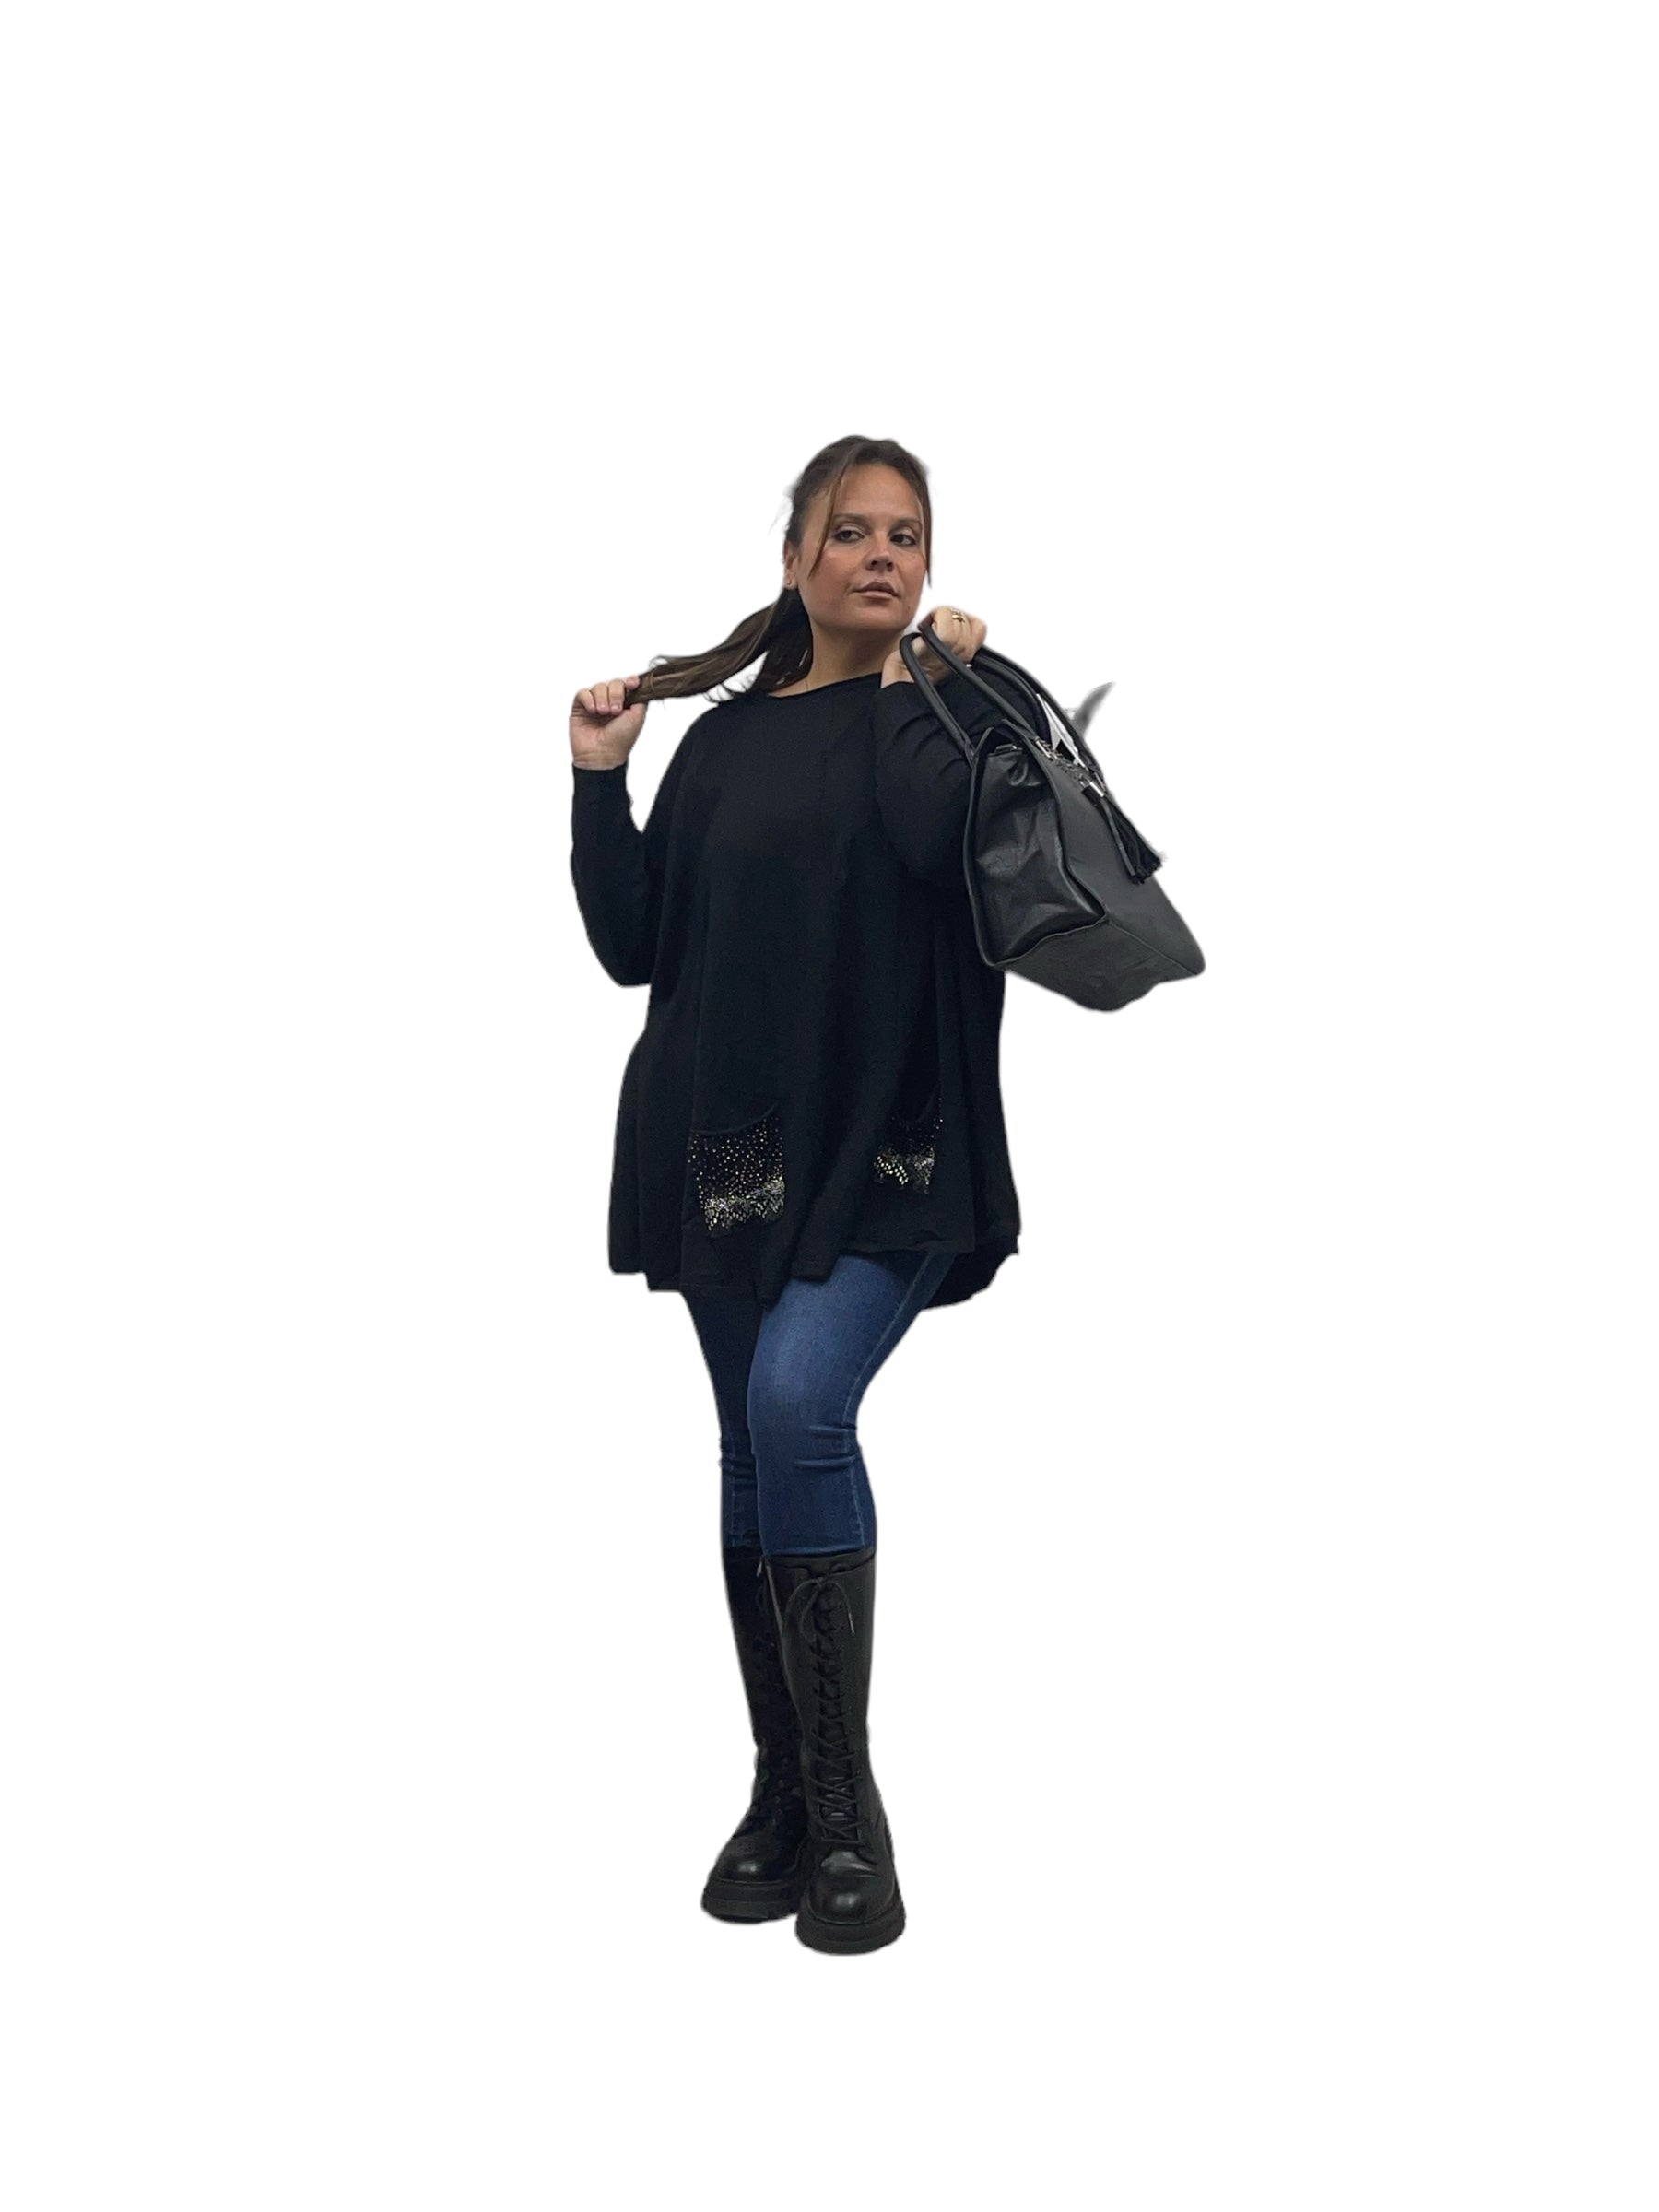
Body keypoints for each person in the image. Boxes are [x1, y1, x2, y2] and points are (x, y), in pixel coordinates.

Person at [568, 435, 1026, 1955]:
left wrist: (922, 688)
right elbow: (636, 948)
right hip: (727, 1154)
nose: (881, 555)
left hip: (892, 1152)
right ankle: (778, 1792)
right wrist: (597, 781)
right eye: (850, 531)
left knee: (796, 1405)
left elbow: (935, 848)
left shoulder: (945, 717)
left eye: (906, 534)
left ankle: (846, 1814)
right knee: (750, 1452)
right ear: (793, 561)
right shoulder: (720, 747)